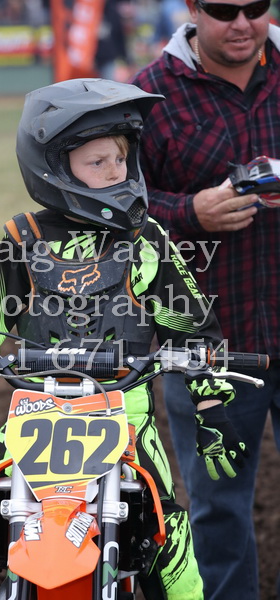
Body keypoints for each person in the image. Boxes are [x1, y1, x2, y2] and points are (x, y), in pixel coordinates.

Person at [0, 78, 249, 600]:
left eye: (120, 158)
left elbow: (193, 331)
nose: (116, 171)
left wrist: (212, 409)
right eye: (98, 162)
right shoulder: (23, 240)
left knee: (173, 551)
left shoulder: (147, 241)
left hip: (127, 417)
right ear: (53, 166)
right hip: (34, 414)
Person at [131, 2, 280, 599]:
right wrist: (189, 212)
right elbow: (116, 204)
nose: (242, 23)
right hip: (205, 344)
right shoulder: (149, 96)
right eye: (222, 9)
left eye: (255, 7)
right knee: (217, 510)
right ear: (192, 8)